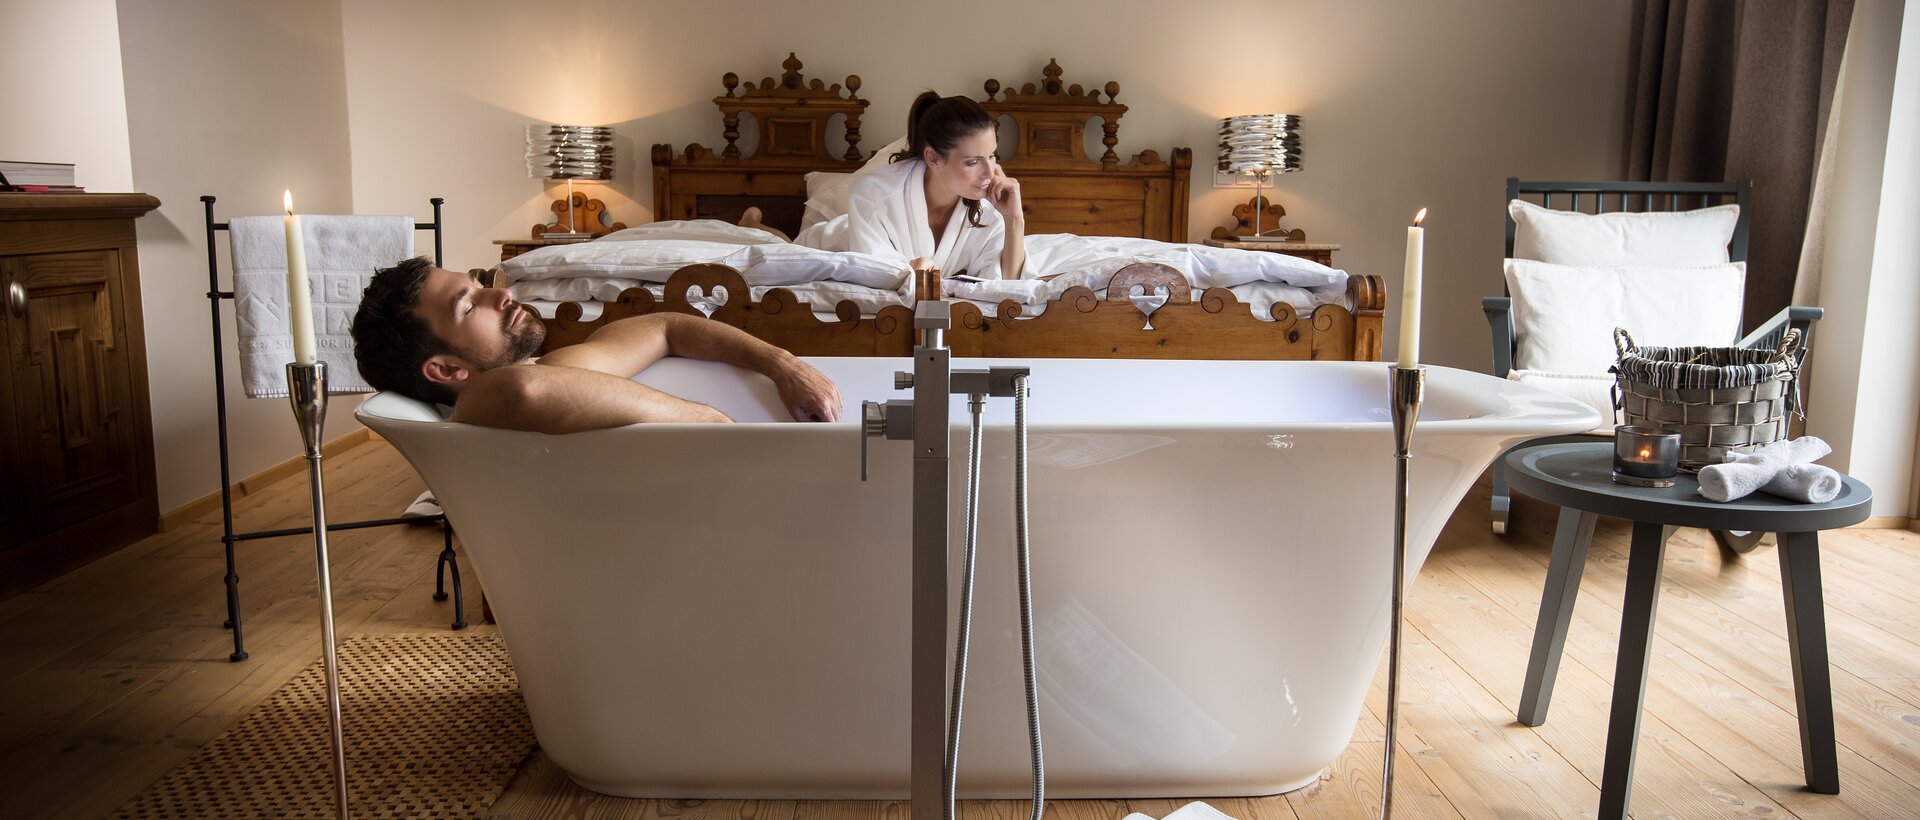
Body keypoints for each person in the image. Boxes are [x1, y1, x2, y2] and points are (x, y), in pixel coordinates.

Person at [349, 257, 841, 434]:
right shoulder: (477, 408)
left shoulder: (554, 371)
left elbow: (668, 327)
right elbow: (525, 390)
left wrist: (782, 364)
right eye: (468, 304)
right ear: (448, 371)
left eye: (480, 283)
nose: (501, 295)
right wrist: (709, 422)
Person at [848, 92, 1025, 280]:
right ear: (933, 158)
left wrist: (1014, 219)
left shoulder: (990, 202)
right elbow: (870, 273)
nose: (989, 174)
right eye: (973, 162)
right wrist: (907, 270)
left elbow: (1008, 289)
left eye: (991, 156)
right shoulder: (874, 194)